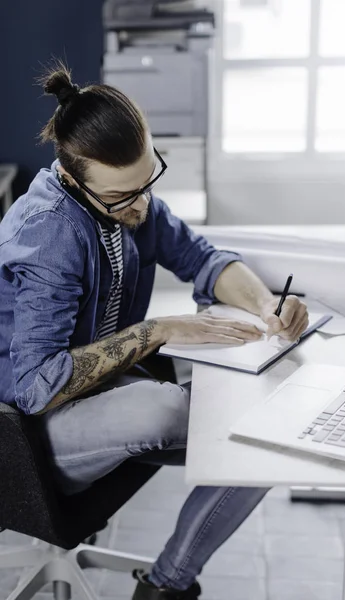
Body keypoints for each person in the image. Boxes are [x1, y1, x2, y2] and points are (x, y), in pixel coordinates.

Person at [0, 64, 309, 600]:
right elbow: (34, 386)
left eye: (148, 181)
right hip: (23, 435)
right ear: (73, 180)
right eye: (123, 196)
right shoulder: (49, 232)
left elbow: (201, 258)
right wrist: (158, 330)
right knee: (175, 411)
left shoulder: (127, 194)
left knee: (266, 435)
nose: (141, 204)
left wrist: (267, 306)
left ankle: (166, 585)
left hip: (95, 393)